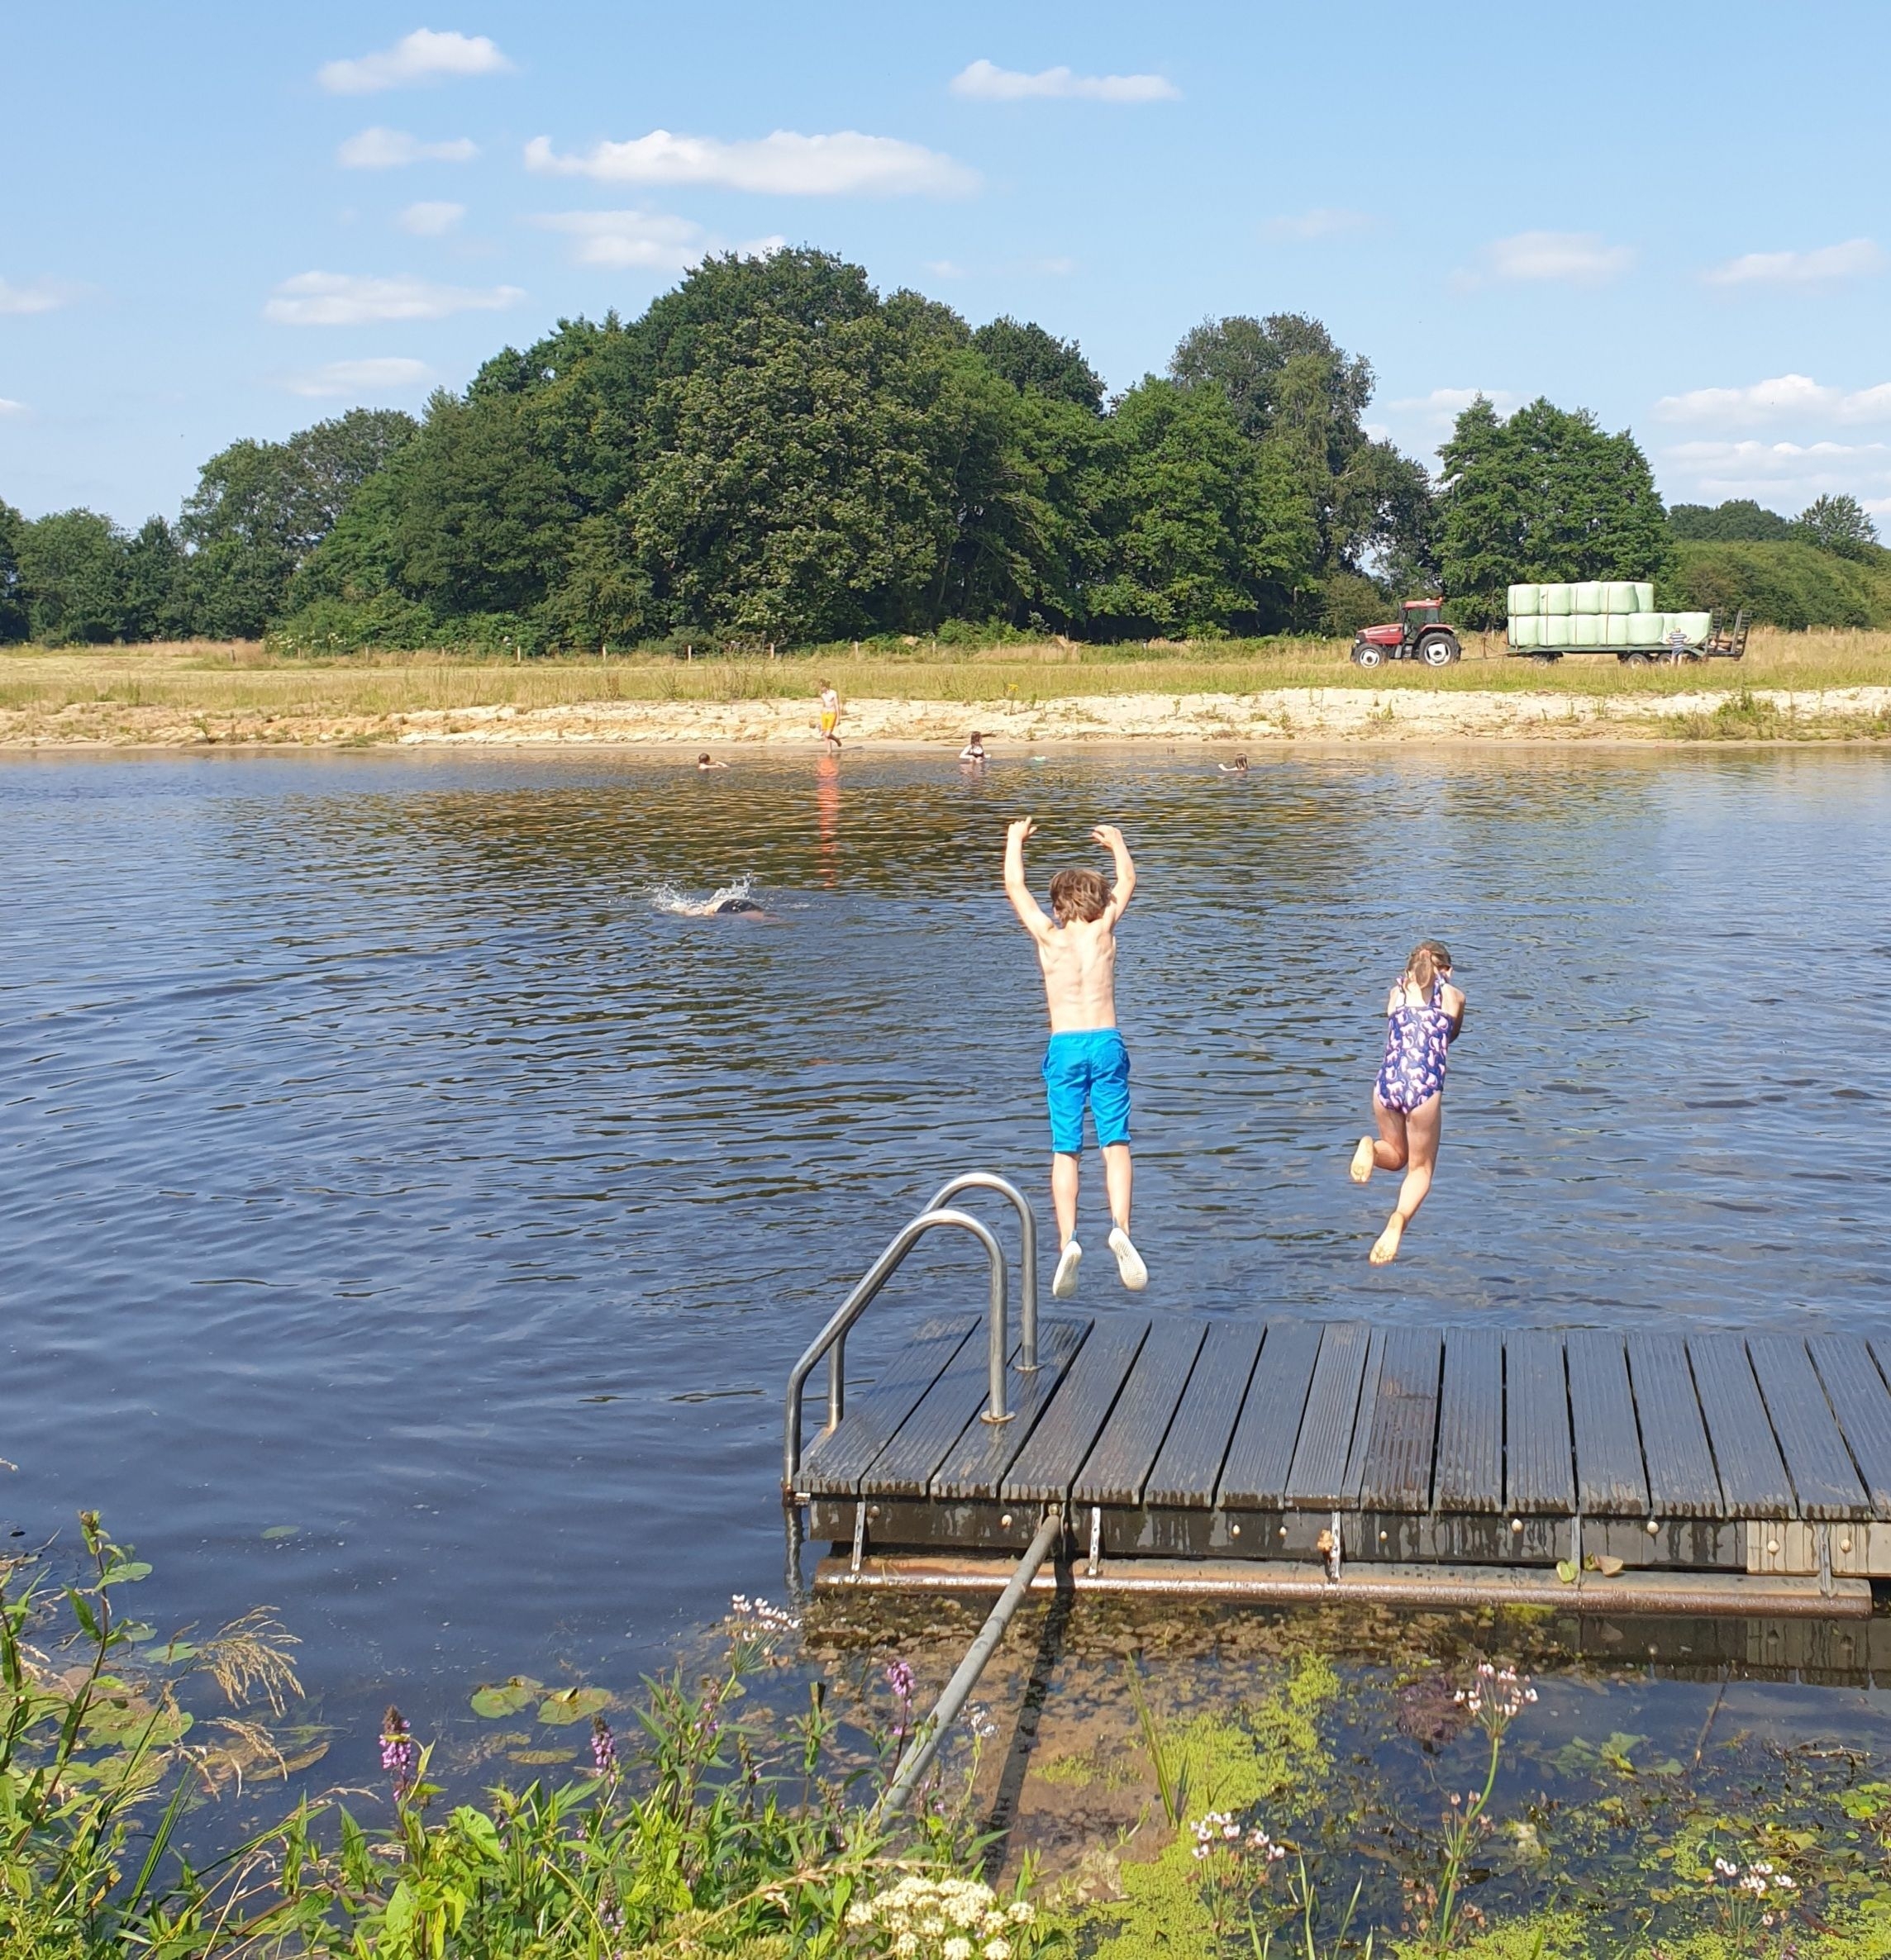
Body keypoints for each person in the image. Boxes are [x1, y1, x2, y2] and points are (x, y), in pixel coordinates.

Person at [1003, 817, 1147, 1296]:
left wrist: (1015, 839)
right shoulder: (1105, 930)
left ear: (1058, 905)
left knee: (1066, 1149)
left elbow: (1014, 885)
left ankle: (1068, 1240)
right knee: (1116, 1143)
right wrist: (1118, 842)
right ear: (1100, 900)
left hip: (1064, 1047)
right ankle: (1121, 1228)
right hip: (1105, 1042)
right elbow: (1129, 878)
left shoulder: (1049, 937)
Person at [1349, 940, 1465, 1264]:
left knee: (1396, 1155)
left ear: (1408, 969)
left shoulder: (1395, 993)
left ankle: (1369, 1148)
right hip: (1423, 1086)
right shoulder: (1454, 996)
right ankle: (1399, 1218)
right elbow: (1452, 1033)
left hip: (1386, 1083)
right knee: (1421, 1169)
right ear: (1449, 971)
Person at [817, 680, 842, 751]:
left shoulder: (833, 693)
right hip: (825, 714)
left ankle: (837, 740)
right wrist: (821, 718)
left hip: (832, 713)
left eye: (822, 687)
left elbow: (837, 706)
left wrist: (838, 718)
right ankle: (829, 752)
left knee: (828, 734)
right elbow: (823, 705)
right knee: (825, 734)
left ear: (826, 686)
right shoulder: (823, 695)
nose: (821, 689)